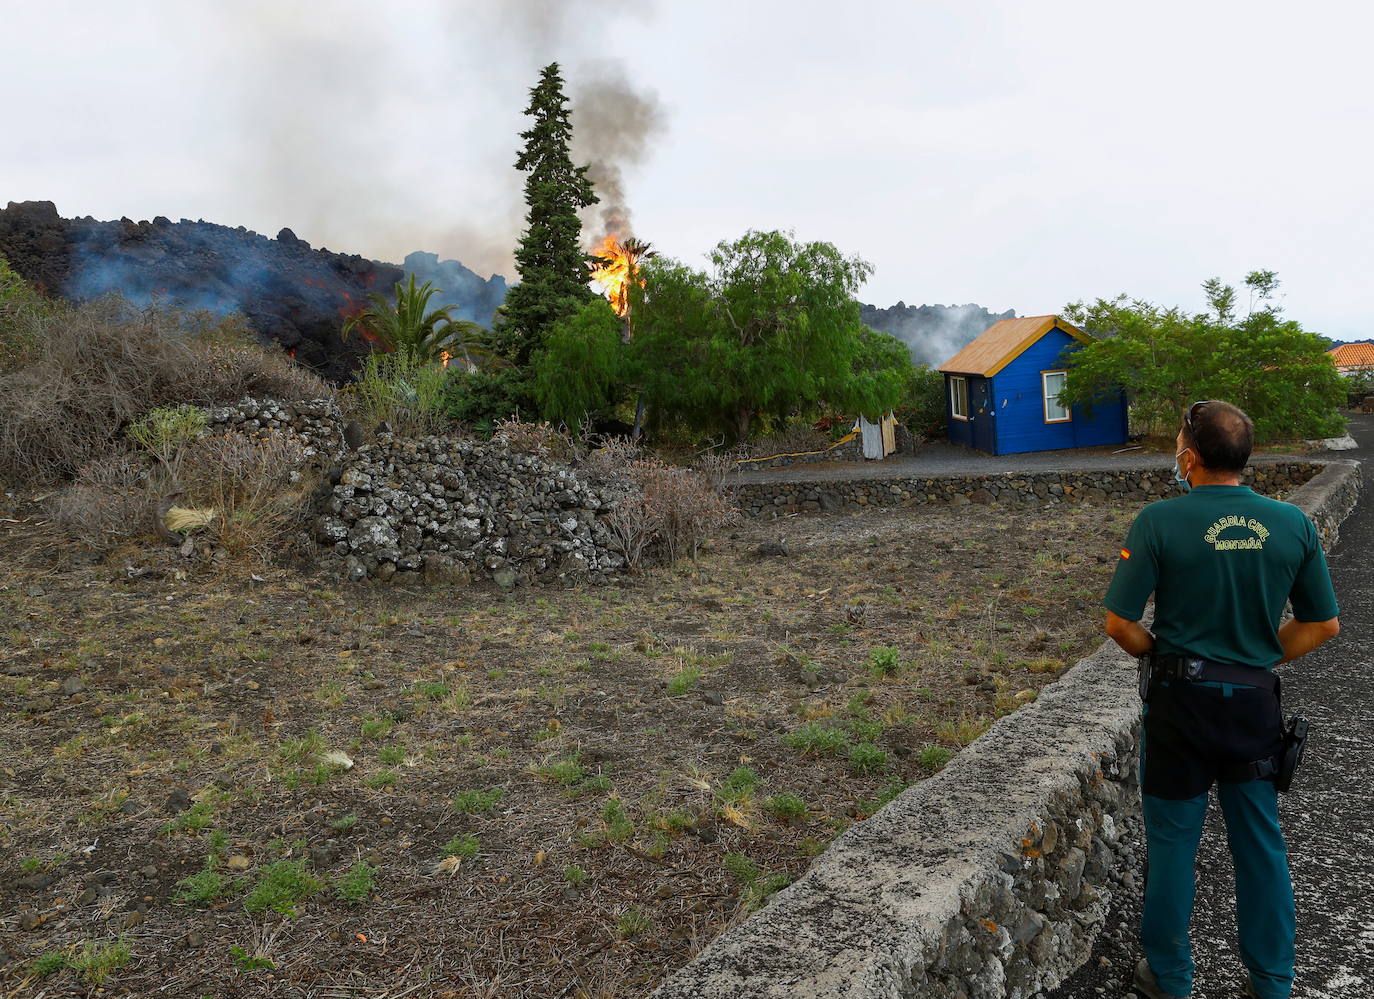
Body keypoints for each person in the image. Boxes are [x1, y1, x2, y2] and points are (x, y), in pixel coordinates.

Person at [1102, 400, 1340, 999]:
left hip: (1180, 706)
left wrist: (1165, 654)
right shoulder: (1292, 524)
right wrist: (1257, 659)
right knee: (1260, 844)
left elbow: (1118, 624)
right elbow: (1323, 624)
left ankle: (1171, 978)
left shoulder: (1158, 520)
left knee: (1174, 845)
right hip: (1252, 706)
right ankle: (1272, 982)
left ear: (1189, 457)